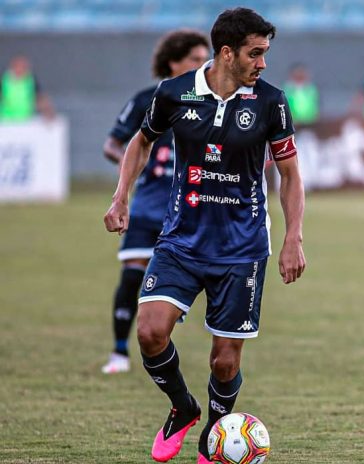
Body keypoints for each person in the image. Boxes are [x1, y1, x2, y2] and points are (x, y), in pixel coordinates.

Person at [104, 7, 305, 463]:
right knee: (151, 331)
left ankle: (214, 434)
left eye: (267, 53)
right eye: (256, 54)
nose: (263, 64)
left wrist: (293, 237)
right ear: (227, 53)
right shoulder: (173, 94)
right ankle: (182, 407)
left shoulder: (270, 102)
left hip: (243, 247)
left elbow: (291, 175)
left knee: (224, 362)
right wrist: (122, 196)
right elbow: (141, 141)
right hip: (181, 239)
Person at [101, 29, 211, 374]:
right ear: (173, 62)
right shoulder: (148, 99)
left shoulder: (211, 102)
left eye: (204, 58)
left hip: (191, 210)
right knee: (131, 276)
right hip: (148, 206)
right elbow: (113, 145)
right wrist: (132, 168)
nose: (202, 65)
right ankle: (119, 353)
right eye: (195, 59)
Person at [0, 55, 54, 121]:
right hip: (5, 118)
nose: (20, 69)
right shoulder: (4, 81)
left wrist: (48, 111)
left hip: (26, 119)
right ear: (12, 67)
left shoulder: (31, 81)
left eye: (24, 67)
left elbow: (40, 98)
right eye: (18, 66)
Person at [283, 62, 320, 126]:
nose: (300, 76)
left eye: (301, 73)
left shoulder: (311, 89)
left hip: (310, 122)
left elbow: (316, 105)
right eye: (297, 74)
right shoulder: (287, 90)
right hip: (292, 123)